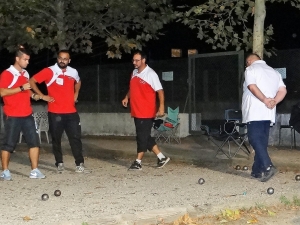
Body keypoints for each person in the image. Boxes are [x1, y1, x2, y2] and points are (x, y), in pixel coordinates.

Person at [29, 49, 85, 173]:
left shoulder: (73, 71)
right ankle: (59, 162)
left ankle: (79, 164)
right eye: (60, 58)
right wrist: (42, 96)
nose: (62, 61)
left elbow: (78, 81)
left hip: (71, 112)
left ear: (69, 60)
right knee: (56, 139)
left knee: (75, 138)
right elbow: (31, 81)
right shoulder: (49, 71)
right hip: (55, 112)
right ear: (57, 58)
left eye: (65, 59)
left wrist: (76, 93)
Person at [0, 46, 45, 180]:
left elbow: (26, 89)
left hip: (27, 114)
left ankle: (35, 170)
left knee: (34, 142)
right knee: (9, 144)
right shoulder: (7, 74)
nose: (27, 62)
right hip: (12, 114)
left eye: (28, 60)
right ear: (17, 59)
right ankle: (5, 171)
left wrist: (33, 95)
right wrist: (20, 88)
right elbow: (2, 92)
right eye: (25, 59)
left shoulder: (25, 74)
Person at [122, 50, 170, 170]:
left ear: (143, 60)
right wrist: (127, 97)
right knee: (145, 135)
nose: (134, 62)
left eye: (137, 60)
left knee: (141, 137)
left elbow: (160, 91)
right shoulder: (134, 72)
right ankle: (161, 157)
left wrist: (162, 106)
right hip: (136, 110)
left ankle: (138, 162)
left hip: (146, 110)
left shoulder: (151, 74)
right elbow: (132, 88)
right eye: (133, 60)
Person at [242, 53, 287, 182]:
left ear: (249, 61)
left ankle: (268, 166)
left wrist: (265, 100)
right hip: (268, 112)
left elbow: (251, 86)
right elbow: (283, 90)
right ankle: (257, 171)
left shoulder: (250, 69)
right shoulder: (274, 72)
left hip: (255, 109)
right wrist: (273, 101)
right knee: (261, 141)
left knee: (254, 138)